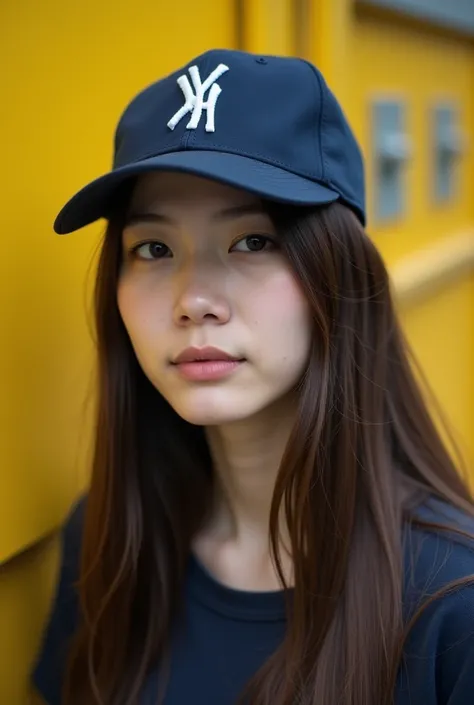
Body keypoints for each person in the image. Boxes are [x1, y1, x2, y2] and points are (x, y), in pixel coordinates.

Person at [31, 49, 474, 705]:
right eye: (153, 248)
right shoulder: (106, 541)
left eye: (252, 241)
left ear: (337, 272)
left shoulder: (452, 605)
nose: (194, 299)